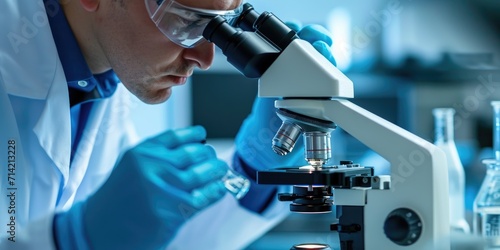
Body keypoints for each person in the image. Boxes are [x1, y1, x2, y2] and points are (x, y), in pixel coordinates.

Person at [0, 0, 336, 249]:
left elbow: (157, 237)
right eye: (188, 21)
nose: (204, 59)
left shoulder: (102, 79)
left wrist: (255, 168)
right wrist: (71, 239)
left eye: (225, 24)